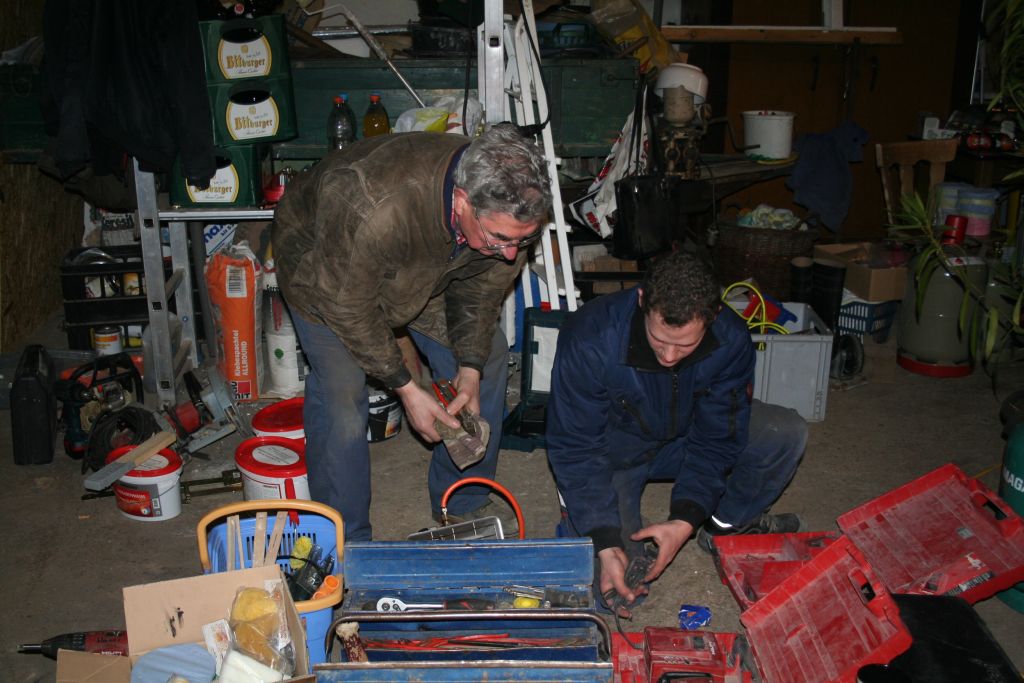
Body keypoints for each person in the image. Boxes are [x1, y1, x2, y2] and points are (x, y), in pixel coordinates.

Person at [273, 124, 552, 541]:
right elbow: (350, 306)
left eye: (522, 240)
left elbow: (480, 292)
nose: (511, 254)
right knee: (342, 395)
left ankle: (463, 502)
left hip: (421, 267)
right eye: (500, 239)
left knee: (489, 355)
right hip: (327, 268)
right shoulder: (369, 203)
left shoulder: (508, 215)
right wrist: (406, 389)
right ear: (462, 201)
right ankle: (346, 535)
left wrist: (470, 370)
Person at [546, 251, 807, 611]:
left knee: (783, 432)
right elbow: (575, 446)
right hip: (614, 454)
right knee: (615, 593)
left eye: (685, 344)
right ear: (642, 300)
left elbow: (719, 437)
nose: (669, 356)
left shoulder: (731, 338)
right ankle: (589, 528)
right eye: (659, 339)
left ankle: (722, 528)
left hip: (686, 437)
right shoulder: (590, 336)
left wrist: (686, 519)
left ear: (713, 316)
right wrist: (604, 539)